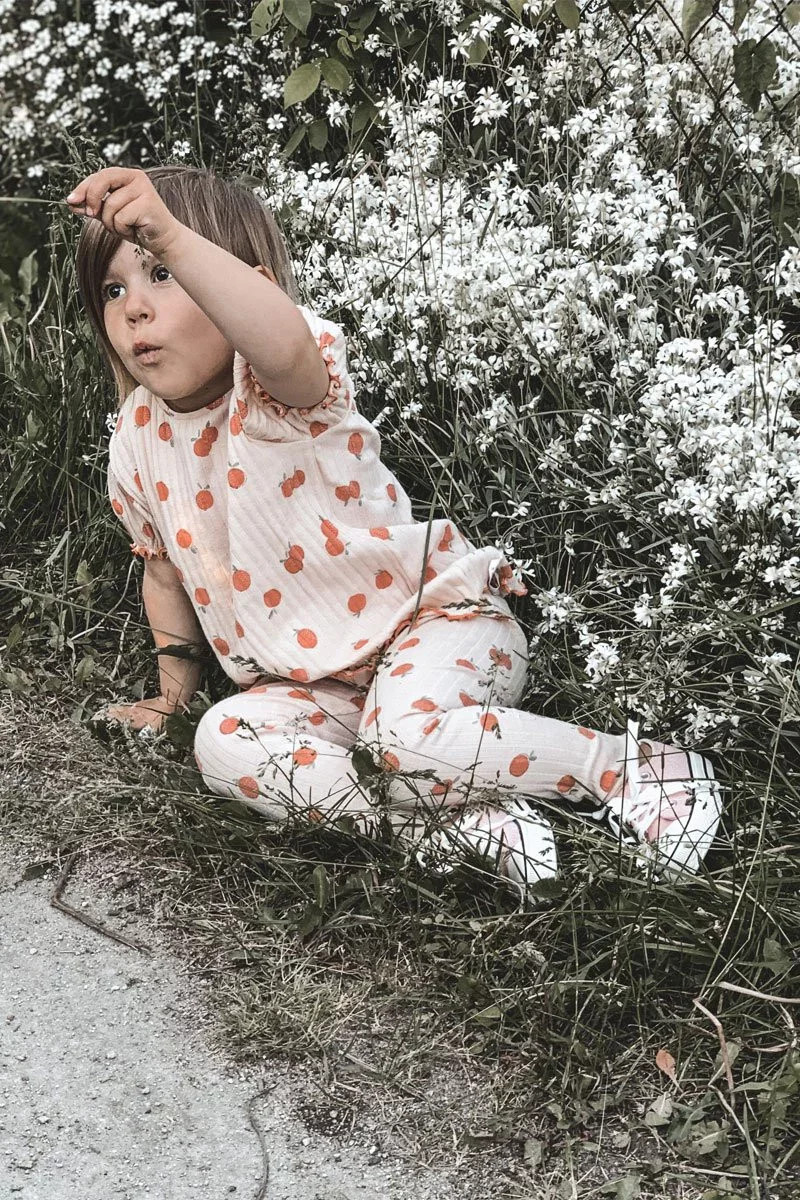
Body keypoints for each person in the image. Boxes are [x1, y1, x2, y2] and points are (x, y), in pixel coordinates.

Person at [67, 164, 723, 899]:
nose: (134, 310)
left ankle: (637, 769)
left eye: (162, 272)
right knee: (223, 740)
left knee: (403, 742)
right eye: (113, 289)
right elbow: (164, 573)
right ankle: (445, 825)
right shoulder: (136, 439)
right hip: (315, 686)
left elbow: (281, 340)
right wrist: (171, 699)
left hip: (434, 627)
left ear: (246, 286)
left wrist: (172, 234)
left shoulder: (279, 390)